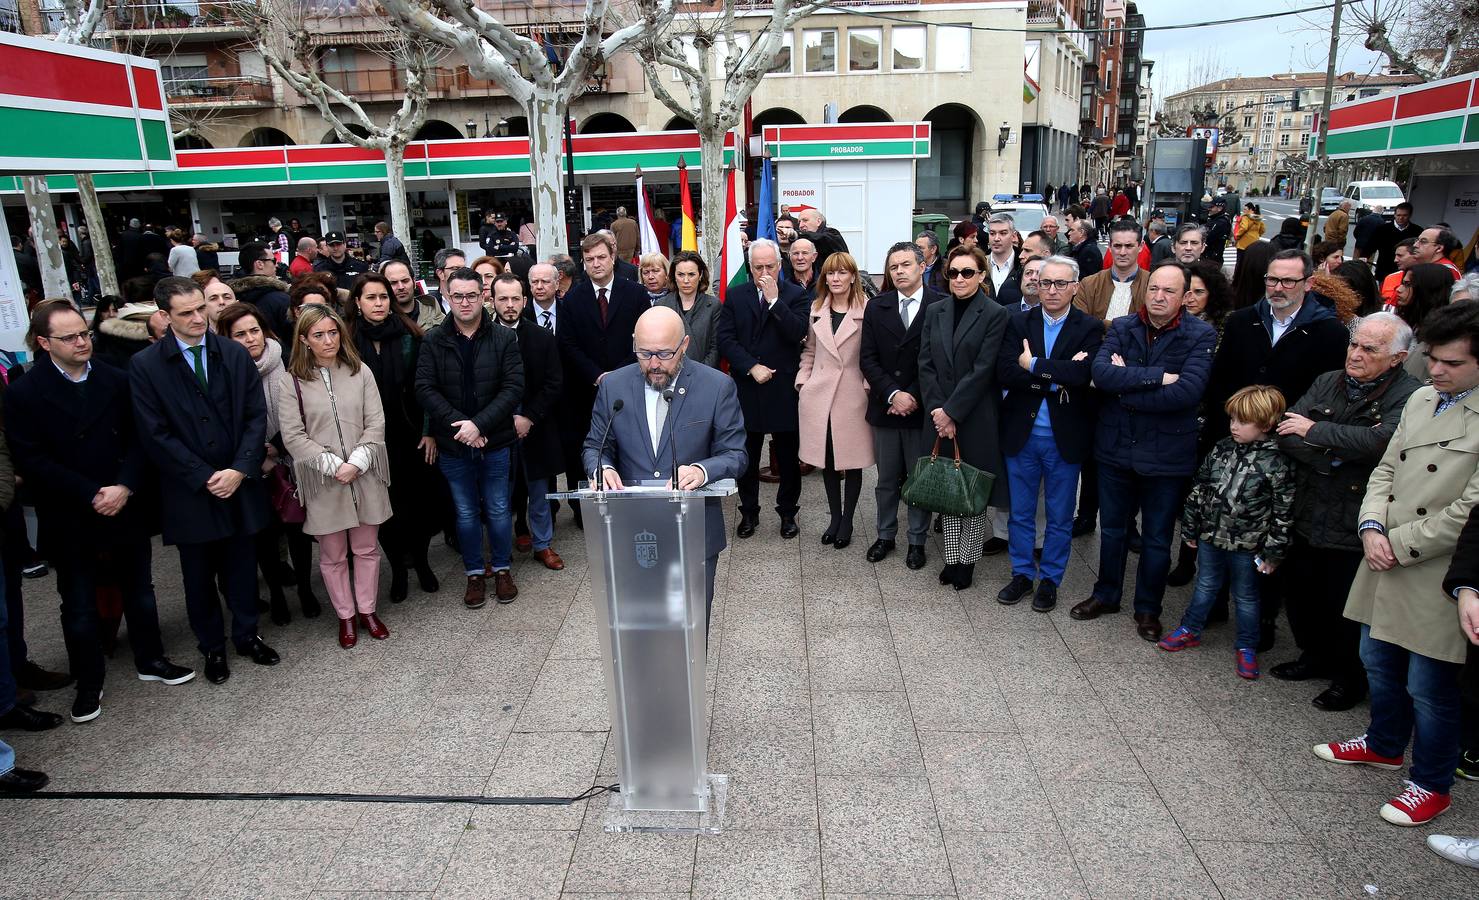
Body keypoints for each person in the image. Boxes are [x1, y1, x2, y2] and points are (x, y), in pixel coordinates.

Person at [1315, 300, 1479, 827]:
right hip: (1383, 553)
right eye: (1433, 358)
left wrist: (1398, 542)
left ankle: (1431, 782)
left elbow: (1470, 510)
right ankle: (1384, 743)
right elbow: (1385, 468)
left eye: (1451, 363)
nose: (1435, 370)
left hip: (1436, 569)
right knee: (1377, 661)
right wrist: (1370, 527)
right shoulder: (1423, 399)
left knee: (1430, 687)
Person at [6, 302, 195, 723]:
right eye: (69, 337)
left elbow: (139, 438)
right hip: (70, 510)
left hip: (123, 501)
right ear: (43, 343)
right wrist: (92, 492)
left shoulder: (114, 377)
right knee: (77, 603)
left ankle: (152, 659)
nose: (81, 342)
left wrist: (124, 485)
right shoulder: (23, 391)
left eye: (84, 334)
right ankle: (89, 680)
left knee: (140, 591)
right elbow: (32, 460)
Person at [129, 277, 279, 684]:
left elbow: (255, 416)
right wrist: (204, 475)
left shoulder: (232, 353)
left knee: (242, 567)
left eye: (201, 308)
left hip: (238, 479)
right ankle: (212, 646)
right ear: (164, 316)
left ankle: (247, 635)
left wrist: (239, 468)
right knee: (197, 577)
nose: (199, 318)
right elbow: (153, 433)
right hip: (189, 490)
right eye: (187, 313)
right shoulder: (145, 366)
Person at [1274, 312, 1420, 710]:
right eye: (1354, 344)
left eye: (1369, 349)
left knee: (1345, 604)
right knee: (1304, 593)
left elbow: (1381, 444)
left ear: (1397, 357)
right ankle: (1312, 656)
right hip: (1310, 506)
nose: (1355, 354)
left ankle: (1348, 679)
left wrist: (1316, 432)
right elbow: (1287, 433)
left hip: (1354, 516)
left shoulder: (1410, 395)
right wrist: (1333, 457)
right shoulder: (1327, 380)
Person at [1072, 262, 1217, 641]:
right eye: (1154, 288)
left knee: (1156, 538)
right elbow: (1101, 375)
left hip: (1166, 456)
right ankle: (1106, 595)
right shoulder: (1122, 326)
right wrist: (1156, 378)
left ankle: (1148, 609)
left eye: (1169, 291)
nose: (1158, 296)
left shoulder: (1200, 335)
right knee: (1113, 530)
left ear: (1185, 296)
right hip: (1116, 447)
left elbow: (1187, 393)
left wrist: (1127, 389)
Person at [583, 306, 747, 630]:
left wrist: (702, 470)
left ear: (684, 345)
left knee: (690, 630)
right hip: (630, 531)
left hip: (694, 531)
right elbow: (595, 446)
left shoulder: (716, 386)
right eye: (644, 353)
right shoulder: (613, 387)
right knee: (638, 631)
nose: (654, 364)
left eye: (664, 354)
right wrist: (600, 468)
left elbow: (736, 454)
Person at [1158, 385, 1293, 679]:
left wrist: (1273, 552)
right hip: (1210, 538)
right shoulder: (1221, 448)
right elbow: (1199, 489)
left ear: (1267, 424)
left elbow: (1283, 512)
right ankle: (1190, 628)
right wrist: (1191, 527)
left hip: (1249, 546)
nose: (1234, 426)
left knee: (1246, 596)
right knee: (1206, 584)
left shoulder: (1277, 462)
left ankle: (1247, 646)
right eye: (1232, 419)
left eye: (1243, 421)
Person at [277, 304, 392, 649]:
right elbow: (293, 435)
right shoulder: (292, 380)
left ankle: (367, 610)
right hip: (323, 479)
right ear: (304, 340)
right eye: (319, 335)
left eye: (333, 332)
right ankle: (345, 615)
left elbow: (376, 422)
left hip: (365, 470)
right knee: (333, 554)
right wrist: (332, 465)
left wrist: (356, 462)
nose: (328, 340)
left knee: (367, 548)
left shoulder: (360, 372)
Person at [994, 255, 1103, 612]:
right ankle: (1022, 574)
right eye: (1044, 283)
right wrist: (1056, 377)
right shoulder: (1018, 322)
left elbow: (1084, 375)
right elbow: (1008, 371)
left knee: (1059, 516)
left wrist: (1036, 367)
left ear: (1075, 287)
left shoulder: (1090, 328)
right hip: (1022, 434)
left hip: (1064, 437)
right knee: (1021, 513)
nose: (1051, 291)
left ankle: (1051, 580)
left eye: (1059, 284)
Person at [416, 267, 524, 608]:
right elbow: (425, 388)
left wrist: (479, 425)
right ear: (447, 297)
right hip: (453, 444)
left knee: (498, 507)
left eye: (472, 295)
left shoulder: (504, 338)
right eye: (457, 296)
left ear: (484, 297)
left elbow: (512, 387)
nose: (465, 302)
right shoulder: (434, 339)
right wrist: (462, 426)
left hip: (495, 441)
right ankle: (475, 573)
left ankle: (502, 569)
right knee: (464, 513)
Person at [217, 303, 320, 624]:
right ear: (226, 339)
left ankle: (305, 588)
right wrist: (255, 455)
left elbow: (307, 412)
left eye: (254, 331)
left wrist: (276, 448)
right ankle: (276, 593)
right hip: (251, 466)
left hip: (292, 459)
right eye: (239, 335)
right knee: (265, 536)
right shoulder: (224, 370)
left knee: (298, 530)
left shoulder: (289, 360)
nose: (249, 339)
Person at [343, 274, 443, 602]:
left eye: (383, 297)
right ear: (357, 302)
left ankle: (424, 563)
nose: (379, 303)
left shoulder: (411, 336)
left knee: (420, 506)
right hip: (368, 440)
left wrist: (429, 432)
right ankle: (398, 570)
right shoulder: (345, 341)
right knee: (384, 510)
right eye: (370, 297)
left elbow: (426, 389)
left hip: (410, 434)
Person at [918, 244, 1011, 591]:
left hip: (976, 416)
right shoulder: (936, 310)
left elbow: (983, 369)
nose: (959, 278)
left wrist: (953, 411)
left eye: (967, 272)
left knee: (971, 493)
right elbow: (924, 364)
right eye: (953, 272)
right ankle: (951, 557)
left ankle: (967, 562)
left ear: (982, 275)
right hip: (939, 414)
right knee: (947, 491)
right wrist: (940, 412)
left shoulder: (995, 313)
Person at [718, 239, 810, 540]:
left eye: (770, 266)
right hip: (748, 386)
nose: (765, 272)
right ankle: (749, 512)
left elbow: (798, 333)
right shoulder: (735, 296)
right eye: (758, 267)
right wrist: (750, 366)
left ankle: (787, 513)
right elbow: (727, 340)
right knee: (747, 455)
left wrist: (774, 301)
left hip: (783, 387)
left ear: (780, 266)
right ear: (750, 267)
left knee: (787, 457)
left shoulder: (795, 294)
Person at [861, 242, 942, 569]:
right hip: (886, 408)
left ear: (922, 266)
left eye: (906, 265)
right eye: (893, 267)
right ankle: (885, 535)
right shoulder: (876, 306)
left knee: (919, 478)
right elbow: (867, 359)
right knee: (886, 480)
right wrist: (894, 394)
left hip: (922, 410)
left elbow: (939, 361)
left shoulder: (940, 305)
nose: (899, 272)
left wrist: (913, 396)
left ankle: (917, 541)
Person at [558, 233, 647, 522]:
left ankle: (628, 500)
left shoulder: (635, 293)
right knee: (588, 445)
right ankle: (585, 513)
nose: (596, 264)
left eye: (601, 257)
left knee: (630, 444)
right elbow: (567, 344)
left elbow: (643, 339)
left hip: (630, 384)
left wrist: (618, 374)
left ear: (612, 258)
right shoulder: (572, 299)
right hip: (586, 389)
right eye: (589, 260)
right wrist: (597, 376)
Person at [487, 274, 565, 571]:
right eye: (503, 299)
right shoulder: (484, 337)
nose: (509, 305)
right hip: (497, 429)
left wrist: (529, 417)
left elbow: (553, 382)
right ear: (492, 300)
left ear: (525, 300)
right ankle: (500, 554)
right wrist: (505, 419)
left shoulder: (541, 336)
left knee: (539, 492)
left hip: (535, 427)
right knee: (499, 496)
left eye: (515, 298)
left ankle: (543, 544)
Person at [796, 252, 873, 549]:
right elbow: (811, 351)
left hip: (853, 395)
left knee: (852, 461)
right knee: (827, 460)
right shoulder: (817, 309)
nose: (836, 278)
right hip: (820, 395)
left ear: (853, 276)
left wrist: (867, 388)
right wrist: (803, 382)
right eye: (831, 273)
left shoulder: (868, 309)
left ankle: (848, 520)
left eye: (842, 273)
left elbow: (871, 354)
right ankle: (835, 517)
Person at [650, 251, 717, 369]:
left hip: (705, 374)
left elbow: (716, 347)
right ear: (673, 276)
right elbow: (656, 345)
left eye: (691, 274)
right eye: (681, 274)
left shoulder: (713, 305)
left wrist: (701, 373)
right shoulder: (661, 305)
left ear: (700, 275)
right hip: (669, 374)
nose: (686, 280)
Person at [1073, 220, 1146, 323]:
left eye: (1129, 246)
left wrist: (1103, 324)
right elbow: (1079, 323)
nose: (1122, 252)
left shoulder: (1152, 285)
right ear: (1109, 246)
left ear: (1141, 246)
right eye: (1117, 246)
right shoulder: (1089, 284)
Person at [1396, 263, 1458, 380]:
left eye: (1407, 284)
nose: (1399, 289)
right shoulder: (1413, 323)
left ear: (1426, 289)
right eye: (1402, 283)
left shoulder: (1440, 336)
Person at [232, 242, 294, 341]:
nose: (277, 265)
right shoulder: (281, 299)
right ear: (259, 264)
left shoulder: (233, 298)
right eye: (273, 260)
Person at [382, 258, 444, 329]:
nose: (401, 287)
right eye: (393, 283)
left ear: (414, 283)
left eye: (405, 281)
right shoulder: (379, 320)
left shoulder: (437, 316)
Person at [1371, 202, 1423, 280]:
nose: (1401, 218)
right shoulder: (1383, 229)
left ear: (1410, 215)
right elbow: (1370, 248)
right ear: (1394, 215)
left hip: (1407, 273)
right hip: (1384, 271)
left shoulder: (1418, 231)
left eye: (1404, 215)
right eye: (1398, 215)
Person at [982, 214, 1023, 308]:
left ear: (1013, 236)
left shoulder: (1024, 266)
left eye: (1003, 233)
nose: (996, 238)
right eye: (992, 233)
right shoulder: (978, 264)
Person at [1202, 197, 1232, 262]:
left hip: (1212, 258)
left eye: (1211, 207)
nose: (1209, 209)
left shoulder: (1220, 222)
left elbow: (1208, 237)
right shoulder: (1216, 219)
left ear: (1219, 208)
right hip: (1211, 256)